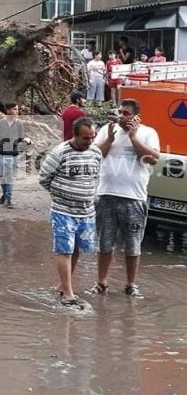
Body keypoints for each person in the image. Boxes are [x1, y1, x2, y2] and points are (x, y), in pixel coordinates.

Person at [88, 99, 160, 298]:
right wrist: (110, 139)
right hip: (106, 195)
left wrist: (134, 137)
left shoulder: (148, 133)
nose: (122, 116)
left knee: (132, 244)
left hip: (134, 197)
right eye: (120, 112)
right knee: (105, 242)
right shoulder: (106, 130)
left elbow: (153, 159)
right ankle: (101, 282)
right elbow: (94, 155)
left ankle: (130, 284)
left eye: (126, 113)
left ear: (136, 116)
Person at [39, 118, 102, 307]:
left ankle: (62, 285)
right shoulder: (60, 152)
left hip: (86, 211)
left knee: (76, 249)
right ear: (75, 135)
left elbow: (95, 177)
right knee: (64, 249)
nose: (89, 141)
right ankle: (68, 293)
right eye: (85, 138)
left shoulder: (96, 153)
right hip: (63, 210)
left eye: (92, 137)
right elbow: (43, 178)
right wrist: (61, 194)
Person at [0, 103, 31, 208]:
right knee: (1, 177)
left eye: (17, 109)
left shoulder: (19, 124)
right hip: (1, 153)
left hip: (13, 154)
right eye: (14, 109)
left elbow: (20, 138)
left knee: (10, 178)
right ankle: (5, 195)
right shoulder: (0, 123)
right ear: (8, 110)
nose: (17, 111)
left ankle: (8, 199)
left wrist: (25, 140)